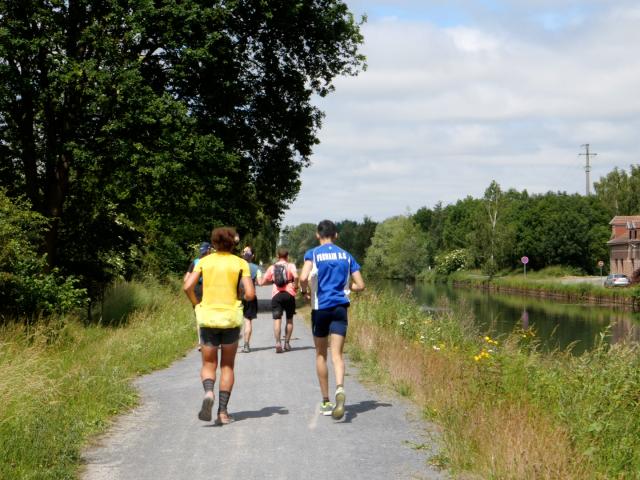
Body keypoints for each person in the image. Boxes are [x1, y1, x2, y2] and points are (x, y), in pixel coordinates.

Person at [183, 227, 255, 425]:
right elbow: (250, 294)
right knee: (227, 366)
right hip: (231, 319)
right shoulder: (241, 263)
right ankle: (223, 413)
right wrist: (240, 297)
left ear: (213, 244)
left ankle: (208, 393)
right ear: (234, 243)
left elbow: (187, 286)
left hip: (207, 318)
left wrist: (197, 304)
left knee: (208, 364)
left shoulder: (204, 262)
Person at [299, 220, 365, 420]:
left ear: (318, 235)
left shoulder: (313, 253)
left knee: (321, 355)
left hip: (320, 309)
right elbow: (360, 285)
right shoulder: (346, 255)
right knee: (337, 355)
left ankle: (326, 401)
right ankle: (340, 389)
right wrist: (346, 289)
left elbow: (303, 277)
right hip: (340, 308)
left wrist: (305, 291)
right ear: (336, 235)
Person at [259, 247, 298, 353]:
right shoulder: (291, 265)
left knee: (277, 320)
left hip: (276, 295)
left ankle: (277, 343)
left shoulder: (272, 267)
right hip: (289, 294)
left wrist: (272, 282)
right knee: (289, 319)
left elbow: (262, 282)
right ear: (287, 256)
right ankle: (287, 343)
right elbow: (296, 276)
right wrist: (296, 285)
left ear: (277, 256)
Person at [241, 247, 262, 353]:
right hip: (250, 296)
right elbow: (260, 282)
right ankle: (246, 345)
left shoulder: (237, 266)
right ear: (253, 256)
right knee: (248, 321)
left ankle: (228, 345)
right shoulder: (256, 268)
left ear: (242, 255)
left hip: (237, 296)